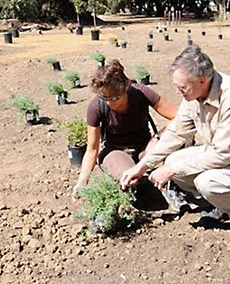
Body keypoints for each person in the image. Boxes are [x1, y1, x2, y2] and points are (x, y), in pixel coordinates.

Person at [120, 46, 230, 245]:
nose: (177, 92)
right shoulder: (194, 94)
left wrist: (171, 170)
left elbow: (221, 155)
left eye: (182, 87)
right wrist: (142, 165)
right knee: (173, 160)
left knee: (207, 181)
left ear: (202, 81)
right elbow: (176, 133)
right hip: (228, 157)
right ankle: (226, 203)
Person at [72, 60, 178, 196]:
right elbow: (92, 150)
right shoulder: (96, 107)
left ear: (125, 88)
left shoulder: (141, 93)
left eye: (115, 97)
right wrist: (82, 183)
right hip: (115, 151)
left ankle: (174, 186)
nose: (109, 102)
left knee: (176, 141)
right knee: (129, 179)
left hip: (144, 148)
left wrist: (156, 139)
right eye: (104, 97)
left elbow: (178, 117)